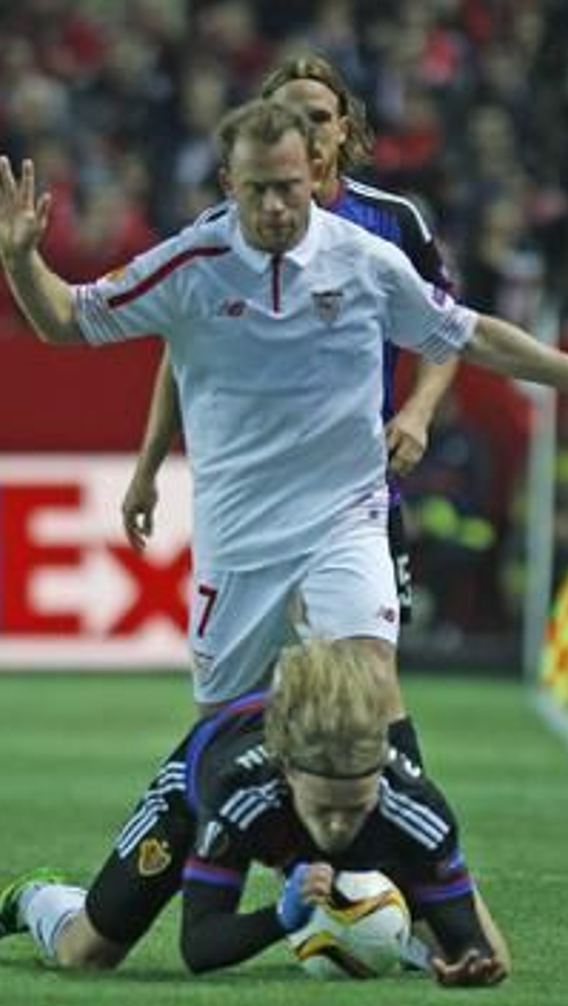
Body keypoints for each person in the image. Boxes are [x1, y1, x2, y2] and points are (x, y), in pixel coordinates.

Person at [0, 99, 568, 731]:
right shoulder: (190, 265)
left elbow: (470, 334)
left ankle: (390, 835)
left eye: (288, 186)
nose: (276, 205)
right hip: (238, 541)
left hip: (345, 523)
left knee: (366, 699)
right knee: (225, 735)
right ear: (228, 184)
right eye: (257, 190)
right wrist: (20, 259)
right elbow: (68, 320)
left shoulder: (367, 260)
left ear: (313, 172)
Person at [121, 55, 459, 728]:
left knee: (367, 683)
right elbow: (181, 355)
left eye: (320, 117)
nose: (308, 130)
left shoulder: (391, 221)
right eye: (291, 117)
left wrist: (419, 412)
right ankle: (249, 790)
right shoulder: (222, 230)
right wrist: (148, 467)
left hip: (354, 485)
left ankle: (395, 795)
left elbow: (449, 328)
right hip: (256, 499)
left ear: (344, 128)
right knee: (244, 700)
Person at [0, 640, 510, 988]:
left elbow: (477, 952)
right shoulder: (237, 792)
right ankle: (32, 899)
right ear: (287, 774)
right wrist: (281, 918)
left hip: (308, 813)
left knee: (496, 956)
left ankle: (384, 936)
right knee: (85, 956)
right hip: (192, 796)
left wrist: (467, 967)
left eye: (355, 808)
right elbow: (200, 946)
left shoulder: (414, 809)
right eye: (324, 808)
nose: (339, 827)